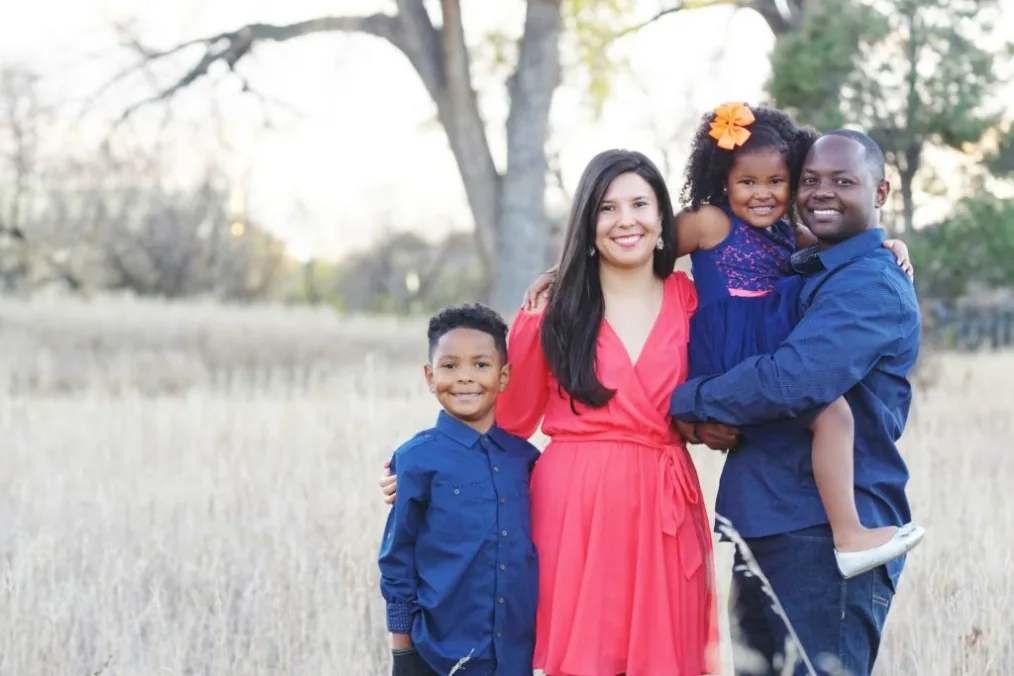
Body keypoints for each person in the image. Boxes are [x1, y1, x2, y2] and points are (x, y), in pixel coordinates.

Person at [521, 103, 921, 578]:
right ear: (722, 180)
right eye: (746, 182)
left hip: (769, 347)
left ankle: (847, 529)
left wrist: (889, 243)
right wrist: (564, 272)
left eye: (776, 182)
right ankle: (849, 532)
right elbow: (636, 242)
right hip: (732, 346)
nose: (761, 194)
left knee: (831, 415)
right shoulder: (709, 222)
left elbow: (848, 242)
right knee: (831, 412)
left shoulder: (793, 235)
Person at [382, 150, 722, 675]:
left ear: (661, 220)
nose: (625, 220)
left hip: (663, 505)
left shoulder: (689, 298)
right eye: (607, 208)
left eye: (639, 204)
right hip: (574, 507)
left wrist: (865, 248)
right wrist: (421, 467)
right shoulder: (553, 308)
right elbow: (504, 419)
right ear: (587, 222)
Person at [669, 130, 924, 675]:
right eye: (810, 180)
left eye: (842, 181)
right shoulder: (803, 267)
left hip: (822, 537)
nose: (821, 191)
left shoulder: (870, 284)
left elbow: (792, 381)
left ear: (880, 192)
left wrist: (690, 398)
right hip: (760, 519)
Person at [377, 304, 541, 676]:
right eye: (450, 366)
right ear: (430, 376)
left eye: (480, 365)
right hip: (438, 658)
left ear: (503, 376)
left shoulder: (526, 460)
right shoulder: (416, 459)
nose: (465, 377)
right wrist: (403, 655)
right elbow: (396, 561)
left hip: (515, 659)